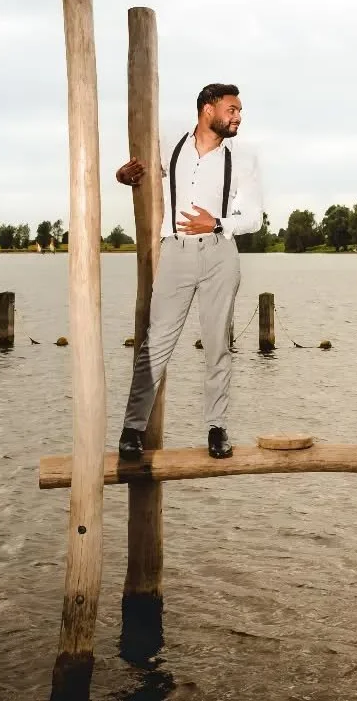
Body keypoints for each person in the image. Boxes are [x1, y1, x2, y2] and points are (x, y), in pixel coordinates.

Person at [114, 83, 264, 461]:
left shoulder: (243, 159)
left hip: (220, 254)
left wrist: (216, 223)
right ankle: (132, 430)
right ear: (208, 109)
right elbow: (143, 173)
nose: (238, 118)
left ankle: (216, 429)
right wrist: (124, 175)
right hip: (175, 252)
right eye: (232, 110)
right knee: (156, 342)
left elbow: (254, 219)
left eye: (240, 112)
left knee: (217, 345)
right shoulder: (171, 145)